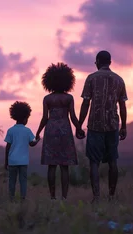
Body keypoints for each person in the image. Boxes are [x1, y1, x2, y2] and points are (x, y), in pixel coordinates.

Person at [77, 50, 128, 203]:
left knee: (94, 162)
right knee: (113, 161)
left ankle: (96, 197)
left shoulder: (91, 78)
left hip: (94, 126)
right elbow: (123, 105)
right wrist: (123, 126)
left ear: (98, 61)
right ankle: (112, 197)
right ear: (110, 62)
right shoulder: (119, 80)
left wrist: (79, 125)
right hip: (112, 125)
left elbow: (86, 103)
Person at [36, 62, 85, 200]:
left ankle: (52, 197)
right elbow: (73, 117)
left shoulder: (47, 99)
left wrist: (38, 132)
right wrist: (79, 129)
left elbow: (45, 118)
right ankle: (64, 197)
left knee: (51, 166)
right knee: (64, 166)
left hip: (51, 131)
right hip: (65, 131)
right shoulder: (68, 98)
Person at [4, 101, 40, 202]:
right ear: (25, 118)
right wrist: (37, 140)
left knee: (12, 181)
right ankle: (23, 199)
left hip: (12, 161)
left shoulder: (10, 130)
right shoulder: (27, 131)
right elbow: (31, 144)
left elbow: (7, 147)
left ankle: (11, 198)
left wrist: (6, 162)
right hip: (23, 162)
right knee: (23, 181)